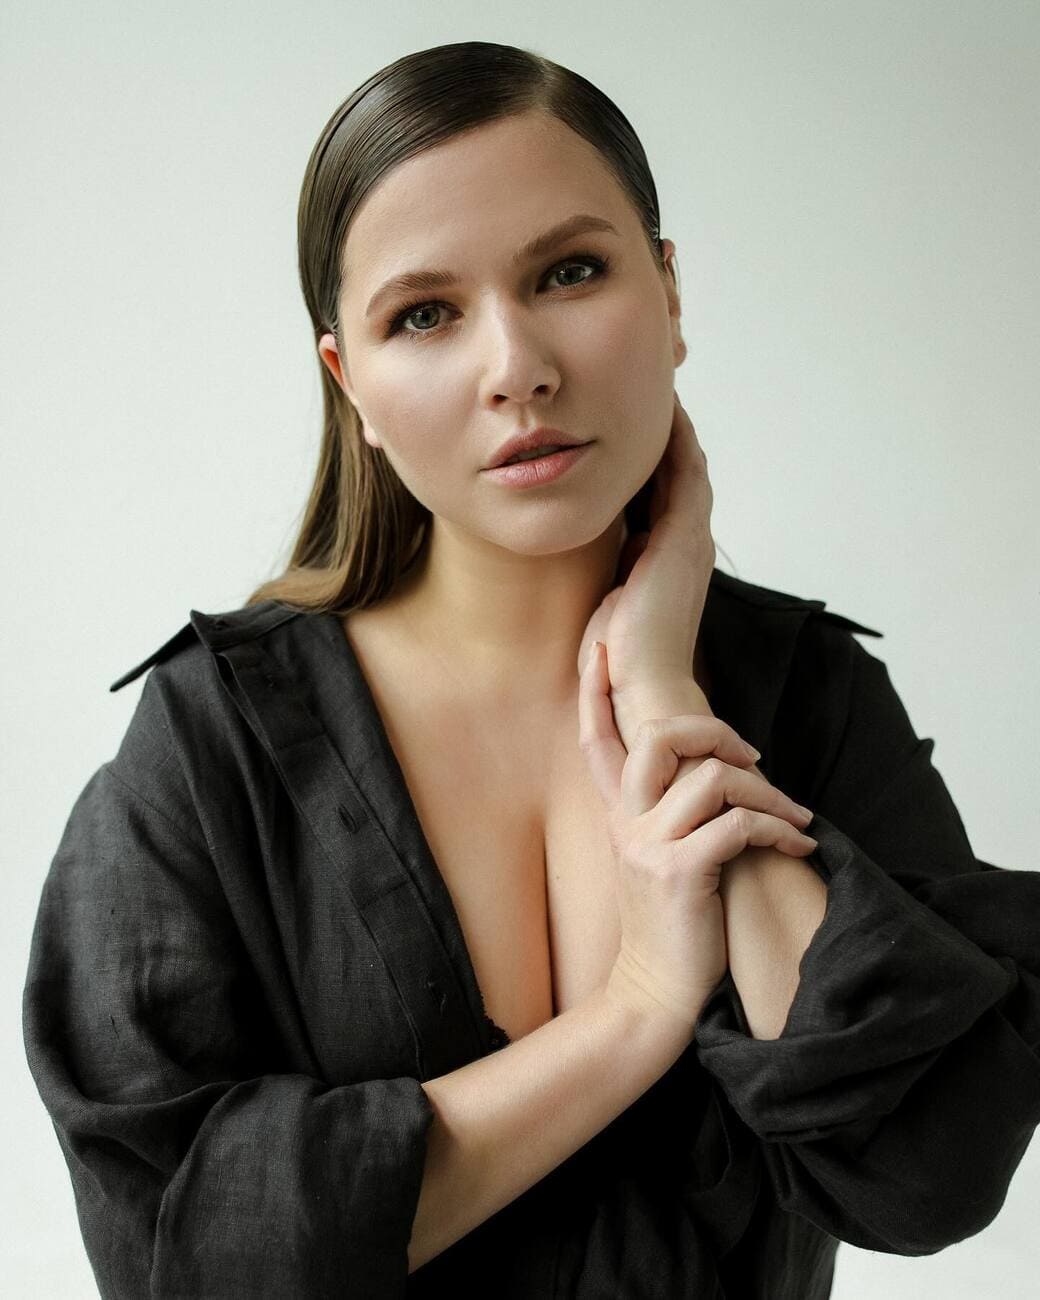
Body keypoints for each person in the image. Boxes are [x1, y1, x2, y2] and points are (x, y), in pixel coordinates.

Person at [23, 40, 1040, 1300]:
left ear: (669, 295)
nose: (517, 368)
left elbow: (931, 1167)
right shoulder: (213, 741)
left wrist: (663, 696)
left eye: (568, 272)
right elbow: (191, 1255)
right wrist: (637, 1007)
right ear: (350, 385)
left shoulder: (808, 694)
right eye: (423, 314)